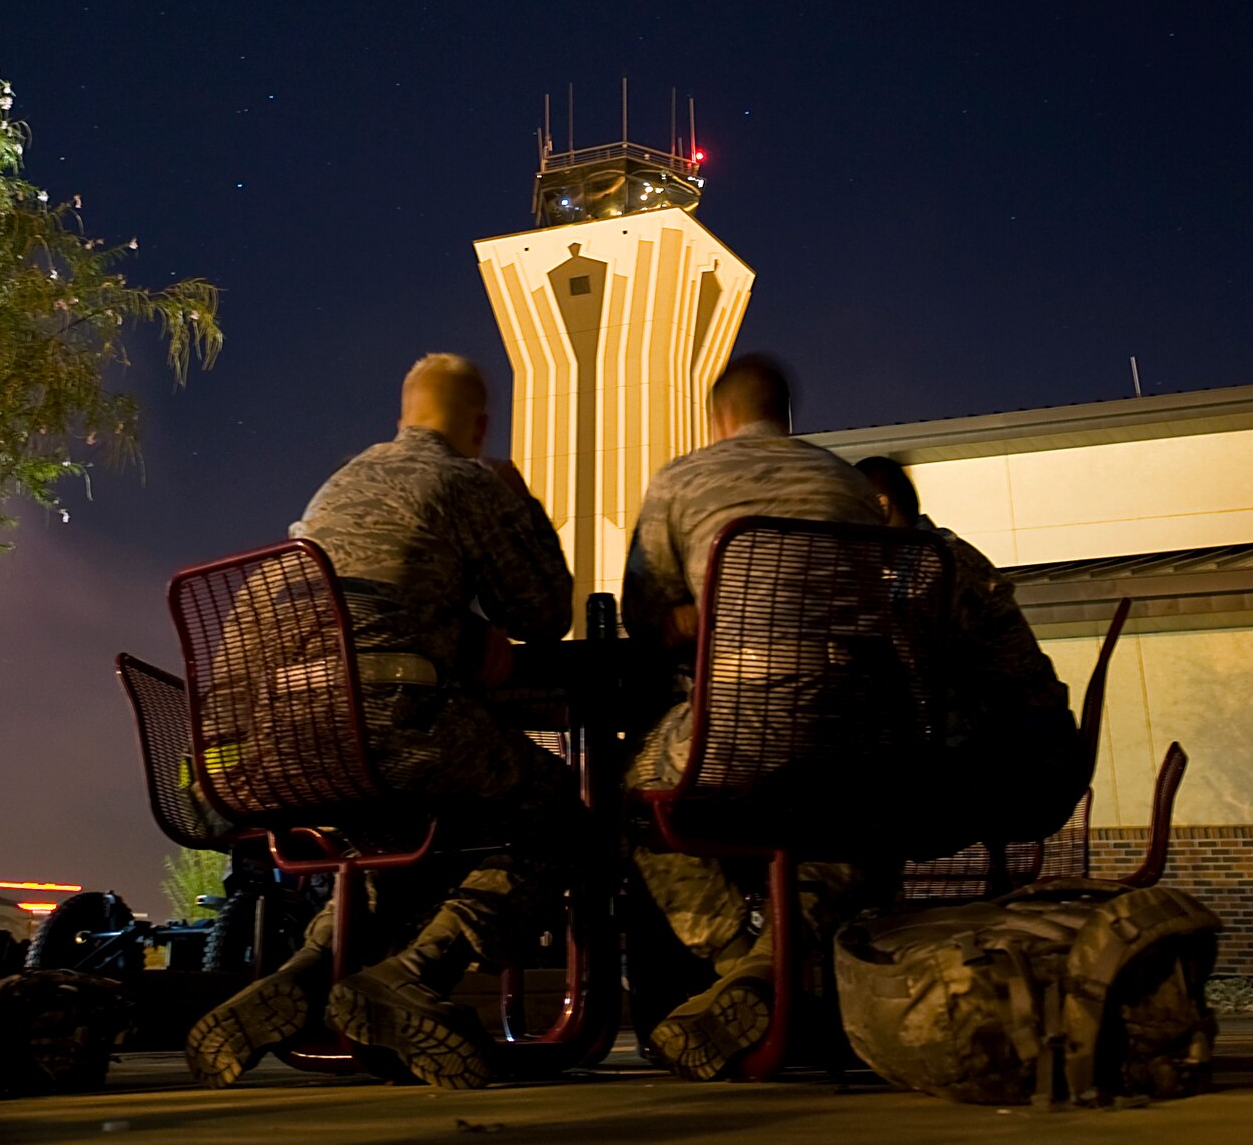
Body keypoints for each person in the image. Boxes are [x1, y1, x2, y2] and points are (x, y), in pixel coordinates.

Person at [186, 353, 577, 1093]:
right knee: (555, 807)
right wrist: (517, 501)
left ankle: (303, 979)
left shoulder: (331, 492)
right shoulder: (465, 481)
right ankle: (414, 974)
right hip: (395, 725)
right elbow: (545, 614)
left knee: (400, 837)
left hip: (289, 742)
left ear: (401, 415)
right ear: (481, 424)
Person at [622, 354, 887, 1080]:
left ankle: (736, 963)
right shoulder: (846, 483)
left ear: (721, 420)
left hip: (733, 721)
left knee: (635, 803)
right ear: (786, 416)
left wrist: (684, 614)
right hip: (855, 729)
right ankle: (781, 965)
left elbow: (644, 608)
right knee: (840, 824)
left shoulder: (681, 479)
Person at [855, 455, 1087, 855]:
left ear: (880, 506)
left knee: (854, 798)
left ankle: (865, 903)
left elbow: (915, 679)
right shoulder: (933, 557)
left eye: (847, 513)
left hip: (1020, 765)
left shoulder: (937, 565)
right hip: (1017, 750)